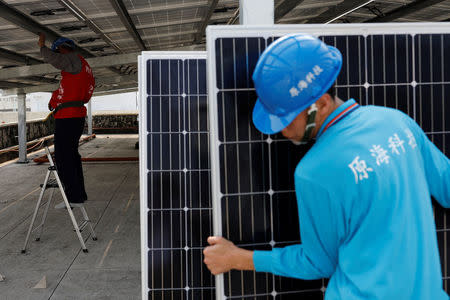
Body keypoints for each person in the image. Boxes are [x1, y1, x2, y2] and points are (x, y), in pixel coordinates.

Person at [203, 34, 450, 299]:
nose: (281, 131)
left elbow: (318, 262)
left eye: (286, 120)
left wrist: (236, 258)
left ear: (320, 104)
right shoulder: (398, 122)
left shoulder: (313, 172)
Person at [38, 33, 95, 208]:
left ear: (63, 49)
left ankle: (73, 198)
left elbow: (53, 59)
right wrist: (55, 100)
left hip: (68, 117)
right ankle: (79, 194)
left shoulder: (71, 59)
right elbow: (80, 94)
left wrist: (42, 46)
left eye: (59, 51)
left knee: (63, 158)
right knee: (72, 155)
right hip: (75, 115)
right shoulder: (84, 67)